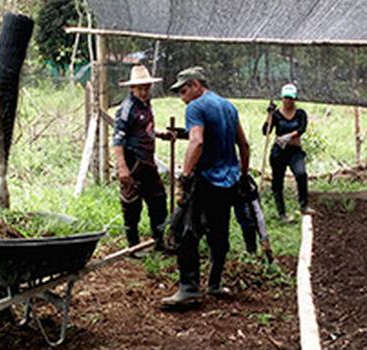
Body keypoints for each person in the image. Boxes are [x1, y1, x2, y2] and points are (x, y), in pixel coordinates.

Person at [162, 66, 251, 306]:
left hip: (205, 181)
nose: (182, 97)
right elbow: (243, 144)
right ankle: (214, 284)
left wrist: (185, 176)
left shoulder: (196, 106)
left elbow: (198, 141)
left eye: (183, 90)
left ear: (196, 86)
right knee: (218, 231)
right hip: (229, 182)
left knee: (184, 229)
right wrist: (242, 175)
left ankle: (189, 288)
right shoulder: (229, 107)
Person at [112, 65, 172, 253]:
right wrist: (122, 168)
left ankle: (159, 240)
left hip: (147, 162)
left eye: (147, 87)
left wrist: (161, 134)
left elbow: (143, 130)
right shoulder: (127, 108)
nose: (145, 91)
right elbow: (118, 139)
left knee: (159, 201)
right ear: (132, 89)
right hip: (132, 161)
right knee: (131, 204)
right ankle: (133, 245)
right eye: (141, 88)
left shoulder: (146, 105)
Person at [262, 83, 312, 221]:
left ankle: (304, 205)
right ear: (282, 98)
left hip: (295, 150)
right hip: (279, 152)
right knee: (277, 182)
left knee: (301, 174)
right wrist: (269, 115)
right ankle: (281, 213)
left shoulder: (300, 113)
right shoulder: (276, 114)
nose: (288, 101)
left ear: (295, 99)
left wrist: (289, 136)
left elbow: (302, 128)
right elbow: (265, 131)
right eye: (286, 98)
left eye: (291, 98)